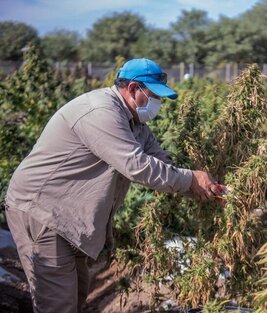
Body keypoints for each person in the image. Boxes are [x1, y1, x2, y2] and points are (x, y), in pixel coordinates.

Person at [4, 58, 223, 313]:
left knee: (76, 295)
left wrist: (206, 187)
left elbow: (160, 161)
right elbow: (138, 166)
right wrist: (190, 179)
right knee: (57, 304)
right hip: (41, 211)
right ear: (132, 89)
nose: (157, 105)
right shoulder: (101, 112)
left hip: (69, 216)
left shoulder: (135, 123)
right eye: (153, 96)